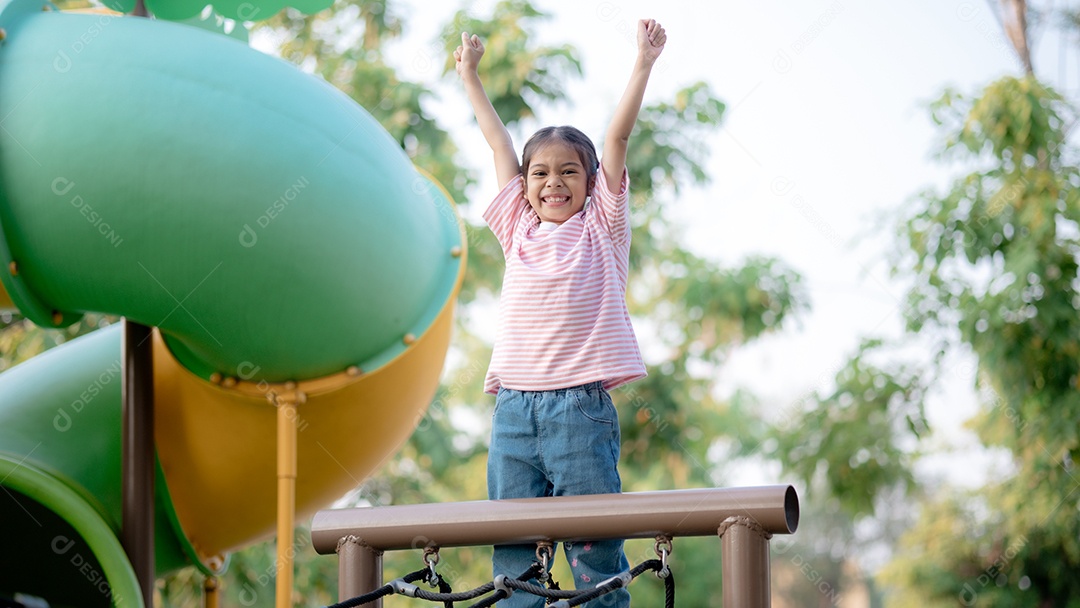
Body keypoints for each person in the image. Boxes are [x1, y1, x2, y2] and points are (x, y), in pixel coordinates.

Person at [454, 18, 666, 608]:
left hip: (580, 407)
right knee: (514, 541)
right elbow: (499, 143)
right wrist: (470, 78)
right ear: (523, 188)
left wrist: (643, 64)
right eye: (541, 173)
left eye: (569, 170)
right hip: (514, 411)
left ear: (593, 181)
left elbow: (618, 140)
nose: (554, 182)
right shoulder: (516, 228)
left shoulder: (602, 226)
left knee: (593, 542)